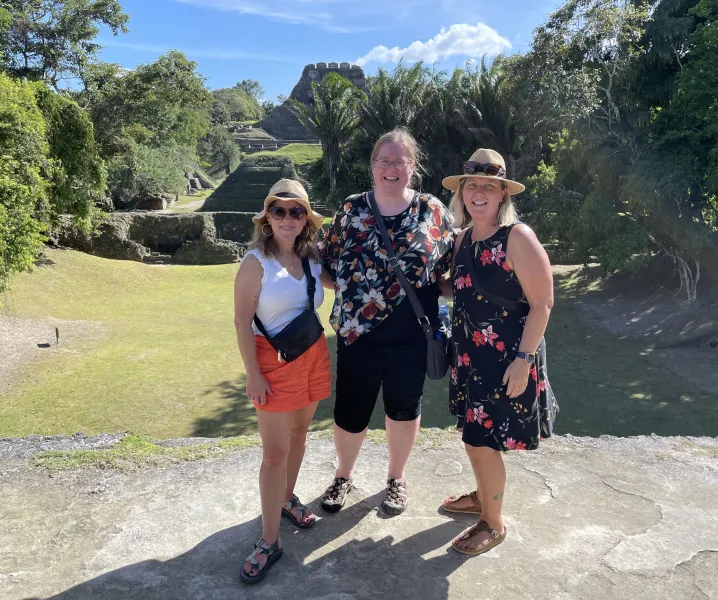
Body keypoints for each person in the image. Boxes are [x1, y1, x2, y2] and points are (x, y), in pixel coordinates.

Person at [319, 128, 454, 515]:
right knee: (350, 410)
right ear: (372, 166)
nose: (391, 168)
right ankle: (343, 476)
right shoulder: (351, 210)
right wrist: (354, 300)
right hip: (358, 335)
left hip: (413, 335)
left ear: (413, 166)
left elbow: (446, 275)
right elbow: (326, 267)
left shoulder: (433, 210)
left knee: (403, 408)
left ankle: (396, 478)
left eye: (400, 161)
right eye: (384, 161)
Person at [440, 148, 555, 556]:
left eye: (490, 185)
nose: (479, 192)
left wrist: (523, 361)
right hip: (471, 358)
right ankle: (484, 496)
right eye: (473, 185)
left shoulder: (517, 237)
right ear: (463, 193)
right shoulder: (464, 238)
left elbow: (542, 303)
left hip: (507, 360)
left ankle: (494, 522)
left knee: (481, 441)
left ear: (503, 194)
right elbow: (462, 287)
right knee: (474, 438)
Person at [233, 179, 332, 584]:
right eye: (279, 210)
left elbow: (349, 281)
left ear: (306, 219)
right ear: (267, 217)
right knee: (274, 454)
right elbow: (241, 321)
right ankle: (269, 540)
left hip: (313, 357)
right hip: (271, 364)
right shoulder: (255, 263)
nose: (288, 218)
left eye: (296, 211)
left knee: (300, 434)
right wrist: (252, 375)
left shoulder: (312, 261)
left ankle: (288, 499)